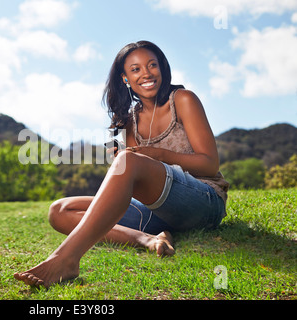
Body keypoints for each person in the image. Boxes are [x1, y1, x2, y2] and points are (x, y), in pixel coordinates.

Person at [14, 40, 229, 288]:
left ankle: (66, 259)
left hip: (203, 202)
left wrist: (155, 155)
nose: (146, 73)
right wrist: (122, 164)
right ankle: (147, 239)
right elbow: (134, 176)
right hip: (159, 212)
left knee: (129, 160)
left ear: (163, 69)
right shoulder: (131, 121)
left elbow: (210, 165)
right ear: (126, 78)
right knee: (59, 211)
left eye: (152, 65)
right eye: (136, 69)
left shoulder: (182, 100)